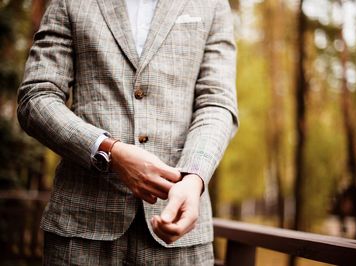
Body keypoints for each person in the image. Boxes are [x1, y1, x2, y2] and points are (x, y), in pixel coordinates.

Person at [17, 0, 238, 265]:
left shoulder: (211, 4)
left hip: (180, 234)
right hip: (81, 229)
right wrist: (108, 150)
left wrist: (194, 177)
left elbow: (217, 103)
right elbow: (36, 96)